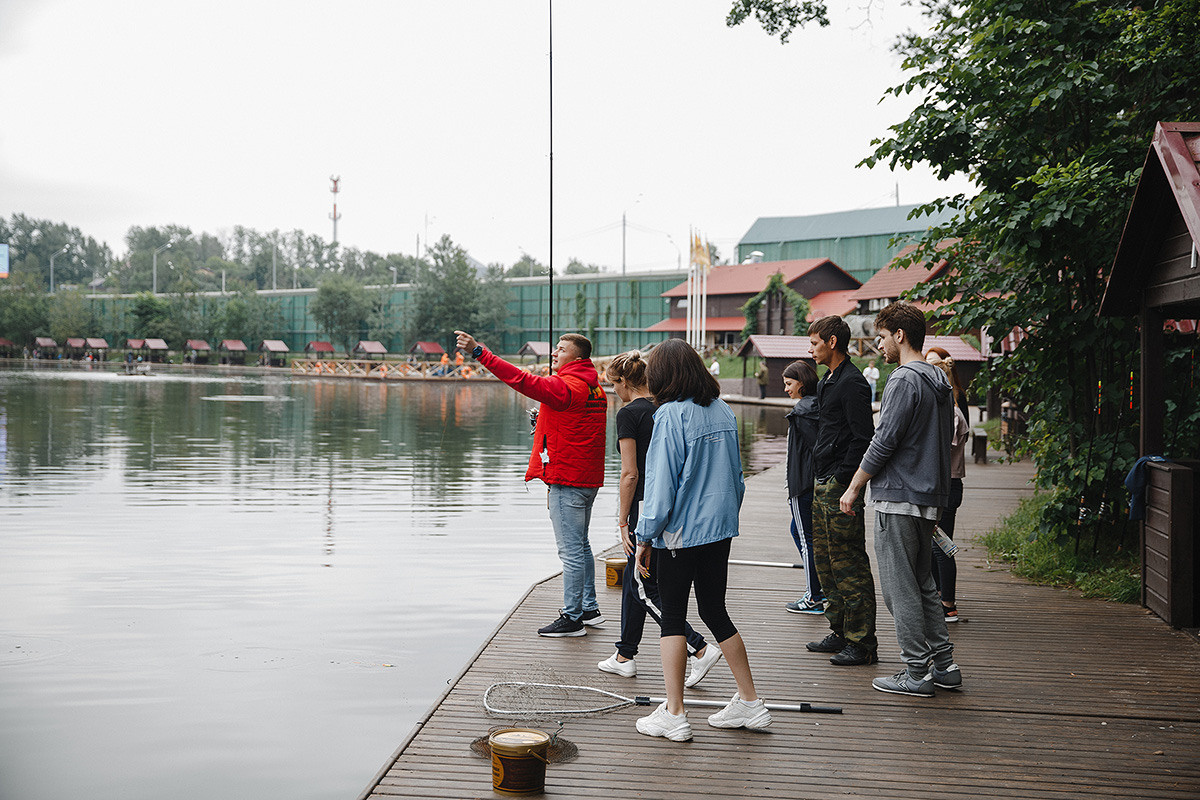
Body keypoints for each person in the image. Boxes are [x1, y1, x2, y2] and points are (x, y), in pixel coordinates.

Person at [634, 338, 771, 742]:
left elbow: (659, 488)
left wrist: (644, 536)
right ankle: (751, 702)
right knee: (714, 610)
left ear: (662, 376)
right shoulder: (724, 410)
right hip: (720, 530)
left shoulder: (670, 416)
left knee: (673, 616)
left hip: (680, 534)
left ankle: (674, 714)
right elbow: (738, 480)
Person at [840, 301, 963, 697]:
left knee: (898, 588)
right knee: (924, 583)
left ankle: (915, 671)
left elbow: (885, 440)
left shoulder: (904, 379)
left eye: (881, 337)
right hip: (930, 496)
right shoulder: (938, 380)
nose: (879, 346)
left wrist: (855, 485)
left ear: (899, 334)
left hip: (900, 497)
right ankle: (944, 665)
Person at [455, 329, 607, 638]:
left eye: (561, 350)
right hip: (587, 479)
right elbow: (574, 424)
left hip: (568, 481)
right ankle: (589, 609)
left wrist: (479, 352)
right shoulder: (595, 388)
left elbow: (521, 380)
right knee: (582, 544)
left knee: (571, 552)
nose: (555, 353)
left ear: (577, 357)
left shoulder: (566, 386)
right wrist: (548, 420)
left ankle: (573, 617)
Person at [597, 351, 723, 688]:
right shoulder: (667, 407)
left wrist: (623, 520)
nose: (613, 393)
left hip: (645, 507)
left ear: (624, 381)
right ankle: (625, 655)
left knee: (644, 586)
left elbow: (630, 473)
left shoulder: (629, 414)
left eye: (613, 385)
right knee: (635, 583)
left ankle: (698, 648)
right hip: (676, 505)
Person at [805, 315, 877, 666]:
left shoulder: (853, 383)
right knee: (825, 560)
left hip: (840, 485)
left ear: (832, 342)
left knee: (848, 561)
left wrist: (844, 481)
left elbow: (864, 439)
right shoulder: (827, 380)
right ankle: (840, 630)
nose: (811, 349)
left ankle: (862, 643)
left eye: (815, 343)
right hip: (823, 481)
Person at [926, 353, 970, 622]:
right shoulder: (948, 412)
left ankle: (948, 604)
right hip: (942, 486)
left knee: (942, 545)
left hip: (947, 486)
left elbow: (939, 451)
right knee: (936, 544)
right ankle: (938, 597)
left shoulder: (951, 415)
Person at [782, 359, 825, 615]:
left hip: (803, 484)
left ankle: (813, 597)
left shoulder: (802, 412)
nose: (787, 389)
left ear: (801, 382)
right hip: (812, 483)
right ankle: (819, 588)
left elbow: (814, 449)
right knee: (801, 533)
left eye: (789, 384)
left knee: (807, 539)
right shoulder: (817, 405)